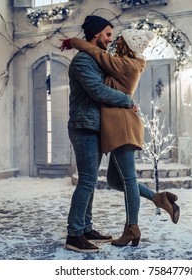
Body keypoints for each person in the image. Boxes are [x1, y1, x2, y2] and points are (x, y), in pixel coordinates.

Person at [62, 29, 180, 247]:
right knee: (115, 181)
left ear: (126, 44)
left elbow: (96, 55)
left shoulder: (125, 63)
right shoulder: (122, 62)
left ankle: (132, 228)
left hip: (122, 126)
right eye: (110, 36)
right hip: (116, 126)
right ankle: (159, 198)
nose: (113, 41)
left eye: (117, 39)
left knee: (127, 179)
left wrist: (74, 41)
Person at [60, 15, 137, 253]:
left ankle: (86, 227)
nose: (110, 40)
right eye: (107, 34)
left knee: (90, 181)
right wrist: (126, 100)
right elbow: (97, 91)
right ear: (96, 35)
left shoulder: (94, 58)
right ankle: (74, 235)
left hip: (93, 126)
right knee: (86, 181)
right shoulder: (83, 61)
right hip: (84, 126)